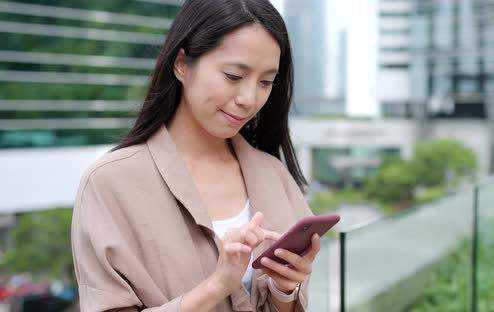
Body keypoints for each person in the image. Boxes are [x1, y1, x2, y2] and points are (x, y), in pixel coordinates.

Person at [70, 0, 320, 311]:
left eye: (266, 82)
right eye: (233, 75)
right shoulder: (110, 183)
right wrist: (217, 285)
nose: (249, 99)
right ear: (181, 64)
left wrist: (285, 292)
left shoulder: (274, 175)